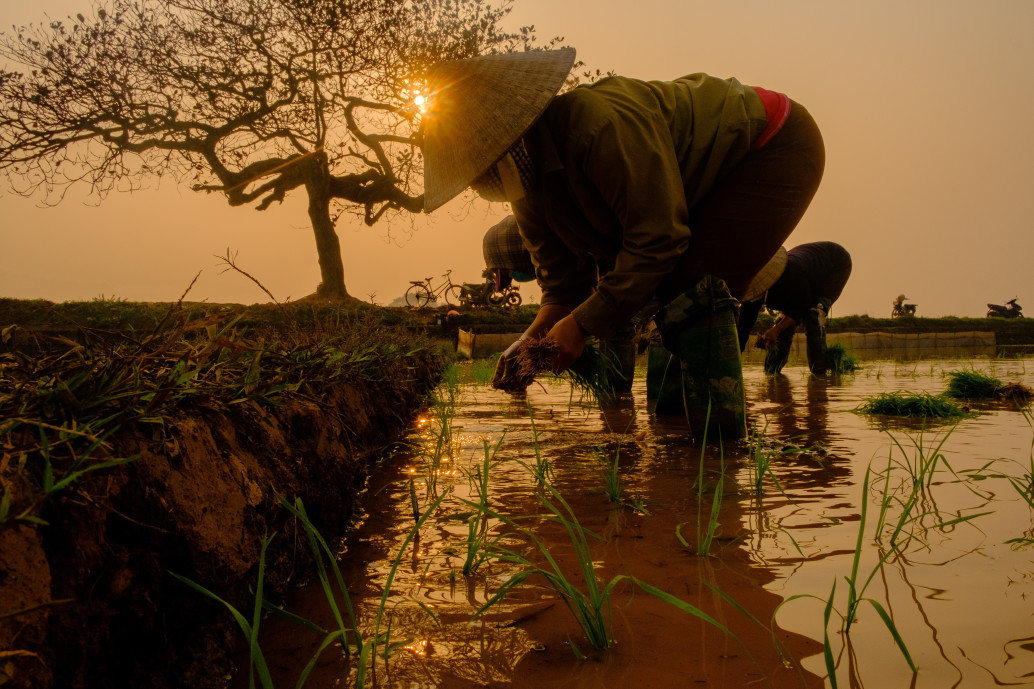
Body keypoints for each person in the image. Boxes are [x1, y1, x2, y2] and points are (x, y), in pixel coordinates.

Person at [421, 49, 825, 437]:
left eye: (481, 166)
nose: (478, 182)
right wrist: (531, 341)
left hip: (769, 144)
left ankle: (715, 458)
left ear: (510, 138)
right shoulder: (529, 192)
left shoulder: (599, 126)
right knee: (656, 301)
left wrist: (579, 327)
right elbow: (563, 288)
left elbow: (658, 241)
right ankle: (671, 434)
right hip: (694, 191)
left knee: (693, 296)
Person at [737, 242, 853, 375]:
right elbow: (743, 328)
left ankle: (819, 375)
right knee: (781, 324)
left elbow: (801, 307)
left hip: (834, 265)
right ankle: (771, 373)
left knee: (814, 316)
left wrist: (776, 330)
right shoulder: (755, 290)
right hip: (805, 280)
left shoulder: (791, 277)